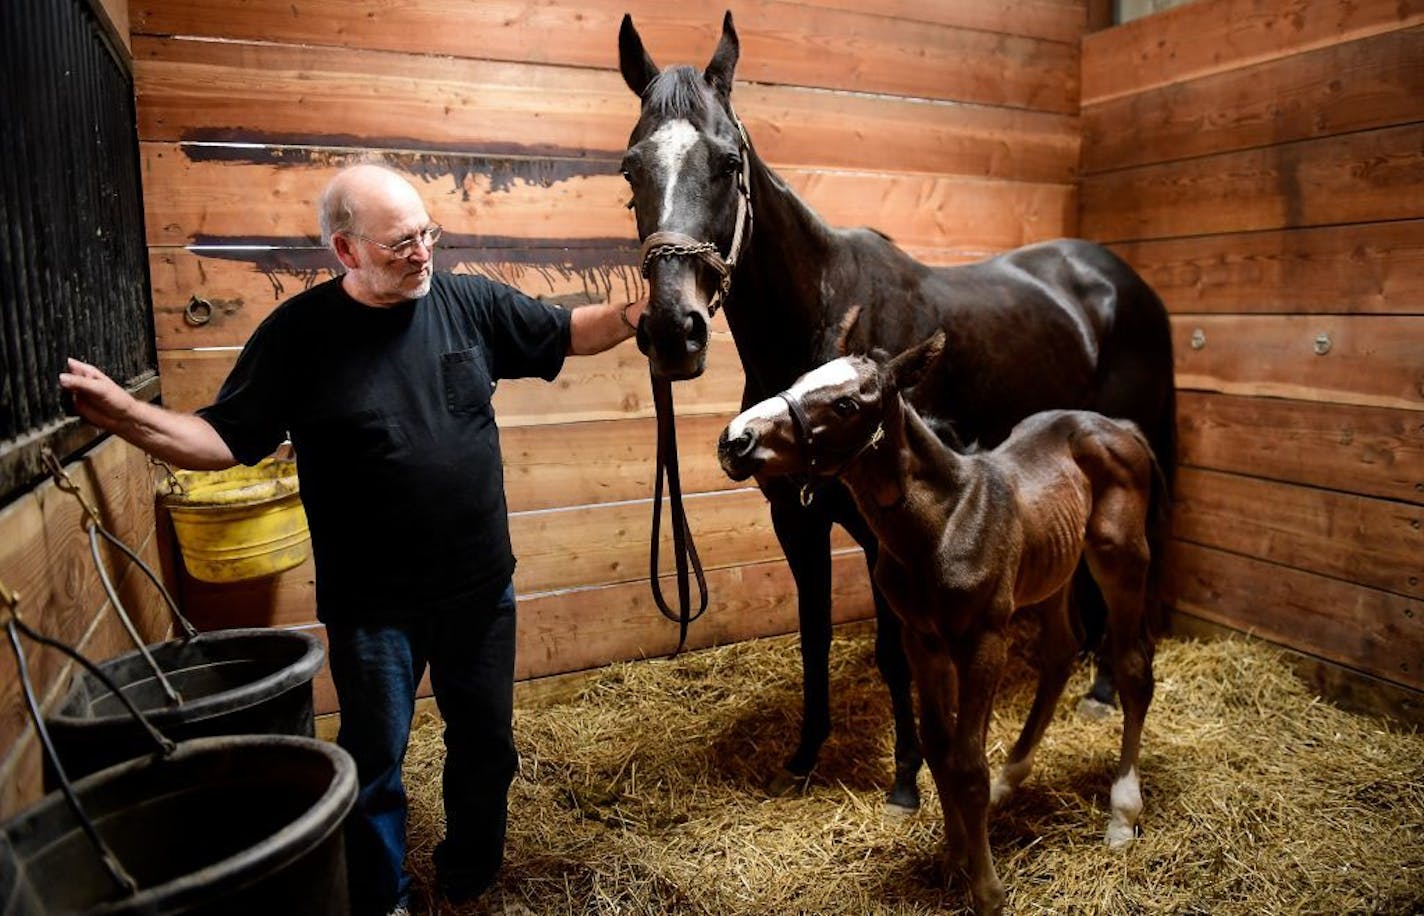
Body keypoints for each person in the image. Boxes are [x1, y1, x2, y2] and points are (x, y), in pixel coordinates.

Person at [60, 163, 648, 916]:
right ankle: (384, 897)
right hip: (374, 609)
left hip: (479, 590)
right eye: (402, 243)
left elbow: (566, 330)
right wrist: (123, 415)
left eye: (427, 234)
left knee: (486, 745)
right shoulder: (300, 337)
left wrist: (637, 316)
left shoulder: (466, 302)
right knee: (375, 763)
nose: (423, 253)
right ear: (346, 251)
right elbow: (220, 437)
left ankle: (470, 870)